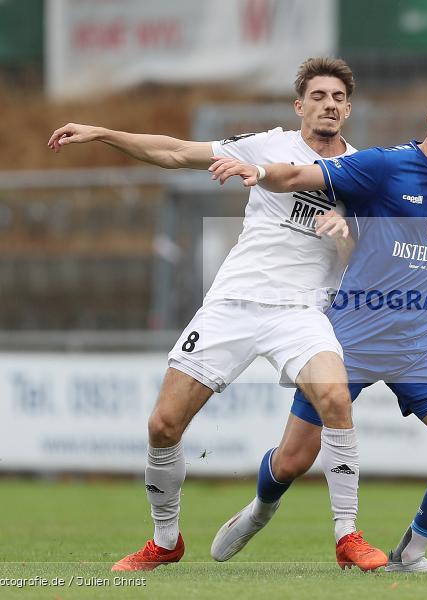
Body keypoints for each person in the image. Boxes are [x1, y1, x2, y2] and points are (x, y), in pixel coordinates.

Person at [47, 57, 387, 572]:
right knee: (163, 425)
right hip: (233, 303)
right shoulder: (267, 144)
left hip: (301, 312)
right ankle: (165, 541)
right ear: (300, 106)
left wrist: (345, 235)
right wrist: (102, 133)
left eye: (338, 98)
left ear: (349, 108)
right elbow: (176, 151)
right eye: (318, 96)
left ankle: (347, 536)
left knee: (336, 397)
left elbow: (365, 257)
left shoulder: (360, 171)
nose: (329, 105)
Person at [209, 81, 427, 573]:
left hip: (421, 345)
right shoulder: (383, 166)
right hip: (350, 339)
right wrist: (260, 169)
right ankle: (259, 510)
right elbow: (300, 175)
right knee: (291, 461)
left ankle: (410, 554)